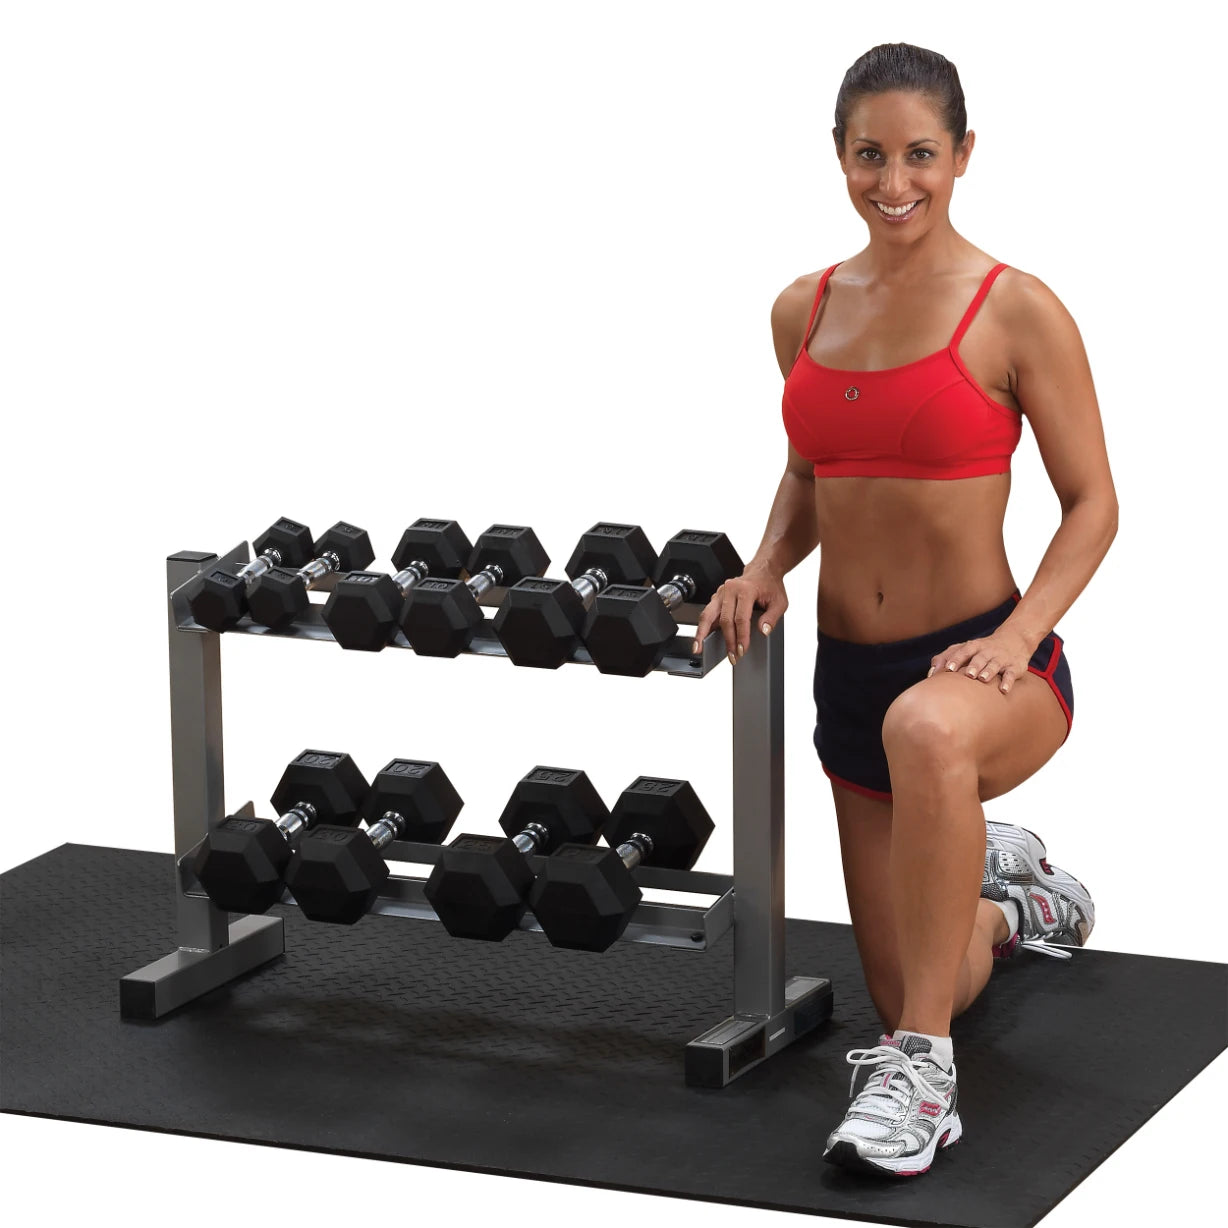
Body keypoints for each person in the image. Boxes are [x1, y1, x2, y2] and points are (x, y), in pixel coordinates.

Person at [693, 42, 1118, 1179]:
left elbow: (1093, 505)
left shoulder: (1014, 308)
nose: (895, 182)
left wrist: (1017, 638)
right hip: (851, 677)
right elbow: (810, 469)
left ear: (963, 155)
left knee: (925, 736)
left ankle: (919, 1079)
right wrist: (764, 566)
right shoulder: (804, 307)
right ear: (837, 155)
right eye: (869, 154)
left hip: (987, 675)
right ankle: (1005, 902)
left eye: (920, 155)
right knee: (904, 972)